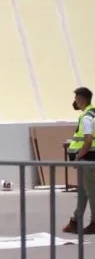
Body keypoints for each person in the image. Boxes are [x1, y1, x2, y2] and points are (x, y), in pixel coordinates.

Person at [64, 87, 95, 234]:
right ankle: (75, 221)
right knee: (83, 192)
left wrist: (78, 156)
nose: (75, 101)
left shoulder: (87, 117)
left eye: (76, 98)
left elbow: (88, 140)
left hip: (88, 159)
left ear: (82, 99)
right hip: (87, 159)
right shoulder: (90, 113)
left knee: (91, 192)